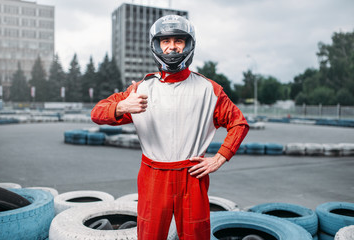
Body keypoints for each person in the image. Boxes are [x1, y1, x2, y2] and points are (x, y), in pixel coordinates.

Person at [91, 15, 249, 240]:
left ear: (189, 44)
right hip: (153, 175)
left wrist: (220, 158)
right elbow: (96, 113)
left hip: (192, 175)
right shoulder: (140, 89)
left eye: (178, 40)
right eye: (165, 41)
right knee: (150, 236)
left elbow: (239, 123)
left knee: (196, 236)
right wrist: (121, 106)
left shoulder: (208, 89)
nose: (172, 47)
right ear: (157, 45)